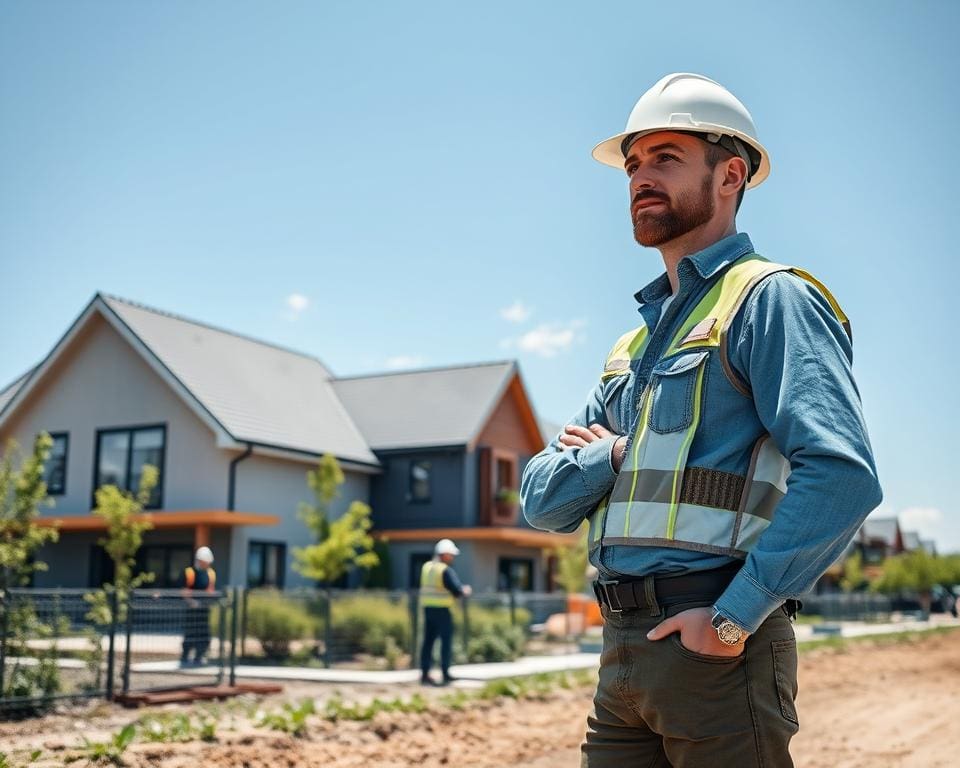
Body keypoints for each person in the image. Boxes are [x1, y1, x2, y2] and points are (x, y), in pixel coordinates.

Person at [521, 72, 882, 767]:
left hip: (714, 649)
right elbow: (542, 499)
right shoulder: (633, 347)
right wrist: (616, 455)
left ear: (730, 174)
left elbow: (843, 476)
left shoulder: (771, 301)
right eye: (633, 165)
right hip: (622, 648)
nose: (640, 177)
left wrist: (732, 617)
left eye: (665, 157)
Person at [419, 538, 472, 686]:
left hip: (428, 609)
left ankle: (424, 673)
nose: (452, 557)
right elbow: (457, 590)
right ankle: (445, 673)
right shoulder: (444, 570)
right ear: (444, 554)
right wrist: (465, 591)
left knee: (428, 642)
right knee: (445, 642)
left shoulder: (426, 567)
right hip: (442, 610)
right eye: (451, 554)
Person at [180, 546, 216, 666]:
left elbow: (210, 590)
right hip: (192, 610)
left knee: (204, 635)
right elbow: (184, 590)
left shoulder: (211, 574)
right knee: (190, 634)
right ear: (200, 560)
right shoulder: (189, 572)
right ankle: (185, 657)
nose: (207, 564)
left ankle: (199, 657)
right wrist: (191, 602)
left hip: (204, 610)